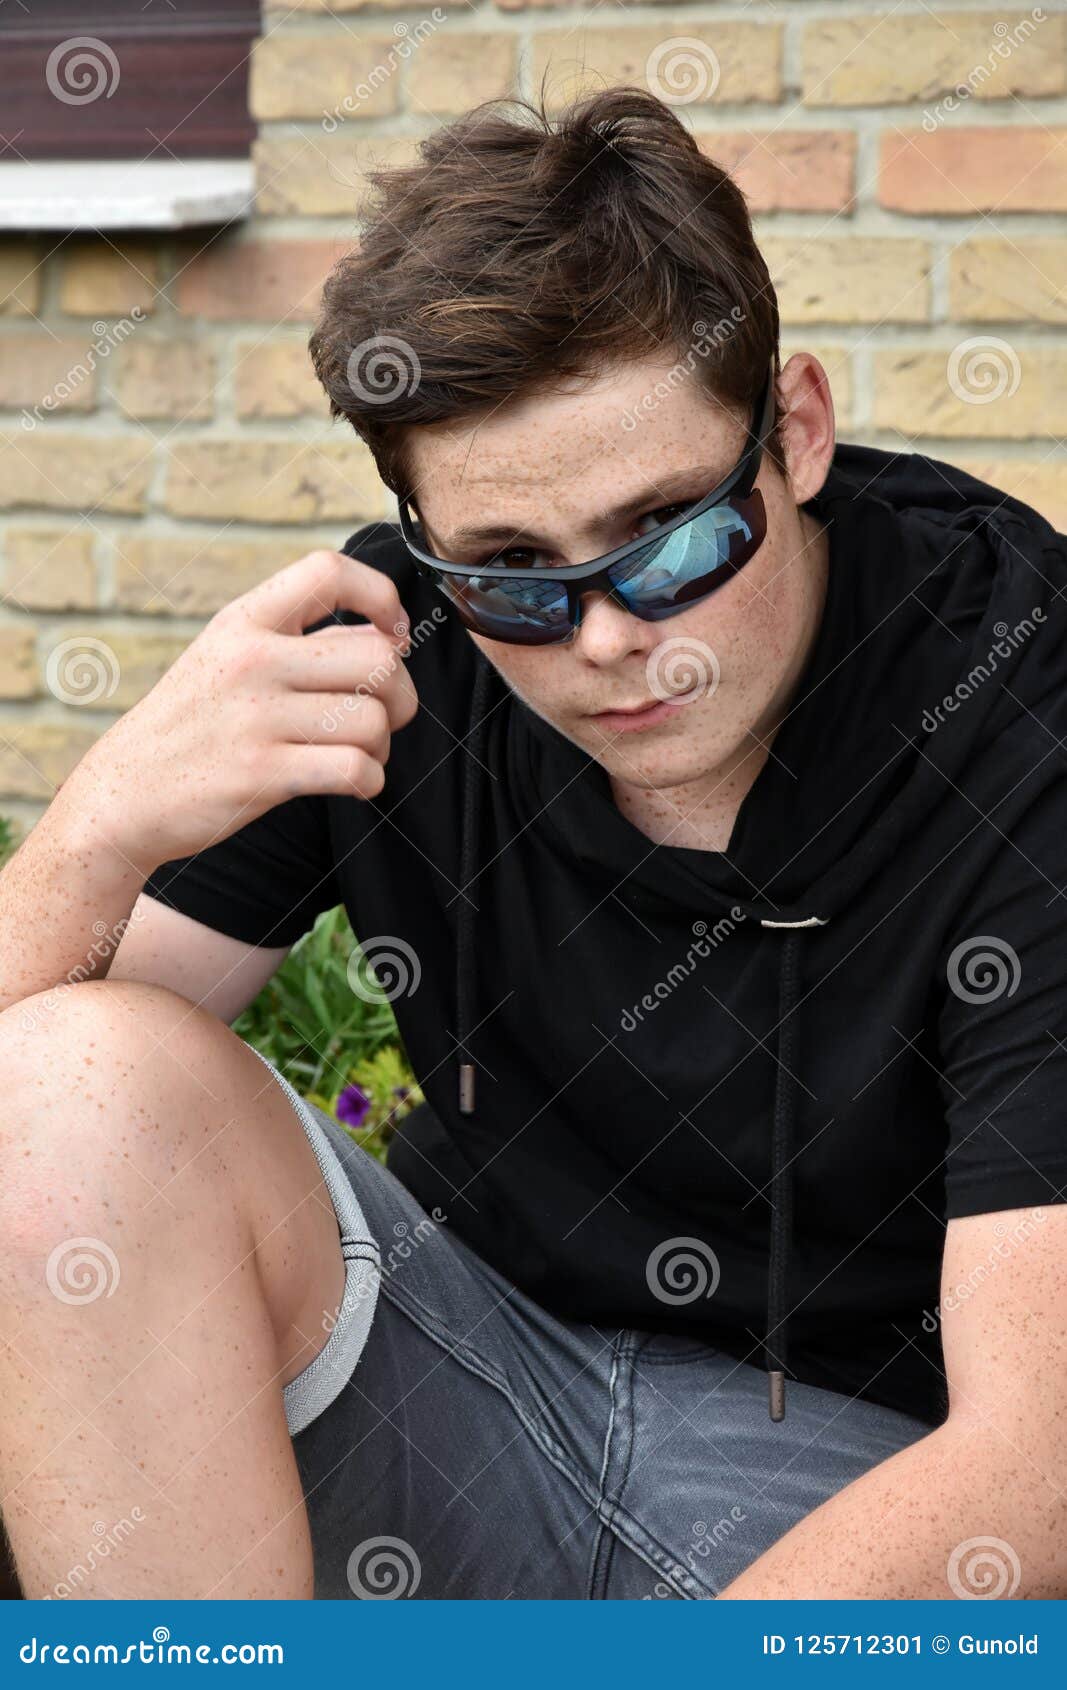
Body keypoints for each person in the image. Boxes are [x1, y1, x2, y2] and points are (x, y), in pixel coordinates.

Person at [0, 87, 1064, 1603]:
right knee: (63, 1081)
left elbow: (1035, 1468)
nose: (614, 638)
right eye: (515, 577)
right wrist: (97, 831)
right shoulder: (387, 650)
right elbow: (49, 1146)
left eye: (676, 536)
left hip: (856, 1503)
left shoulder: (1021, 710)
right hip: (483, 1405)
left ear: (798, 432)